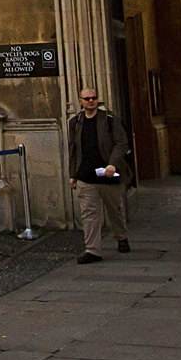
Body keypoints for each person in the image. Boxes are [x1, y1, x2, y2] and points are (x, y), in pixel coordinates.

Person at [67, 85, 132, 263]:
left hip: (108, 175)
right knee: (89, 214)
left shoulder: (110, 120)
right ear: (80, 101)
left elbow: (121, 143)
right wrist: (73, 174)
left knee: (115, 210)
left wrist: (112, 164)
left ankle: (121, 237)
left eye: (93, 98)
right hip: (85, 176)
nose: (91, 101)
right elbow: (73, 149)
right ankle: (93, 250)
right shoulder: (75, 122)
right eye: (87, 98)